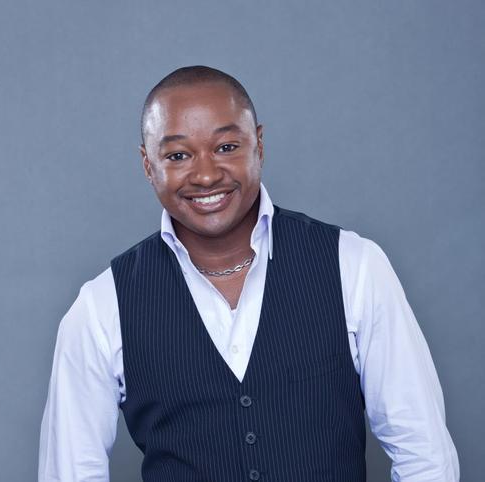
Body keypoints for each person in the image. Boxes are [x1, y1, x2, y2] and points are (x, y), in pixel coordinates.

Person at [38, 66, 459, 482]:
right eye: (178, 155)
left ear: (259, 145)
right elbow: (70, 472)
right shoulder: (102, 306)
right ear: (148, 165)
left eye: (226, 147)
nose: (206, 175)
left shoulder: (353, 265)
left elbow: (423, 453)